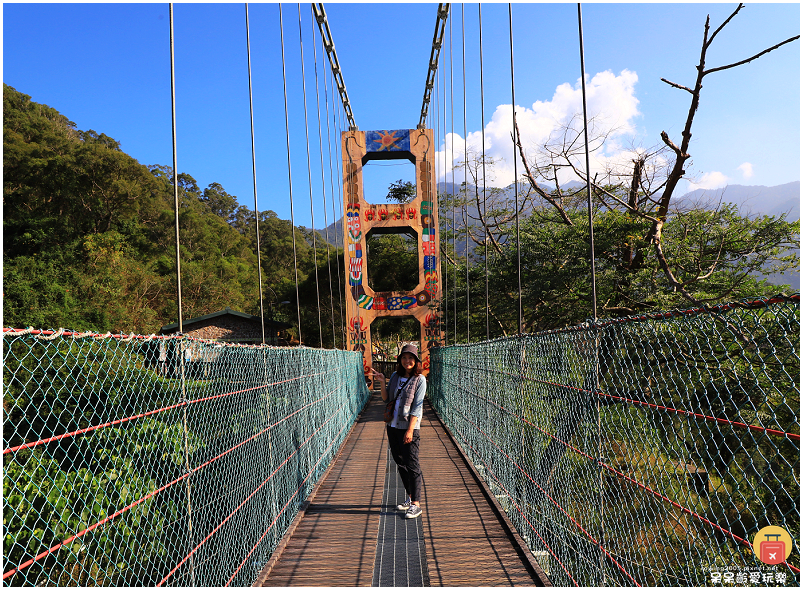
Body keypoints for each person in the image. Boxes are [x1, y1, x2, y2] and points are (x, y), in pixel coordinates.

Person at [370, 343, 427, 519]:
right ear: (400, 359)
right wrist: (382, 382)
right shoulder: (395, 376)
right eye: (404, 357)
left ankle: (416, 504)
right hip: (392, 426)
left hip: (409, 428)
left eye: (411, 358)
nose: (407, 361)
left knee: (412, 464)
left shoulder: (420, 380)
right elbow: (386, 398)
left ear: (416, 361)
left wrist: (410, 430)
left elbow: (417, 408)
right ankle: (410, 498)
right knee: (399, 461)